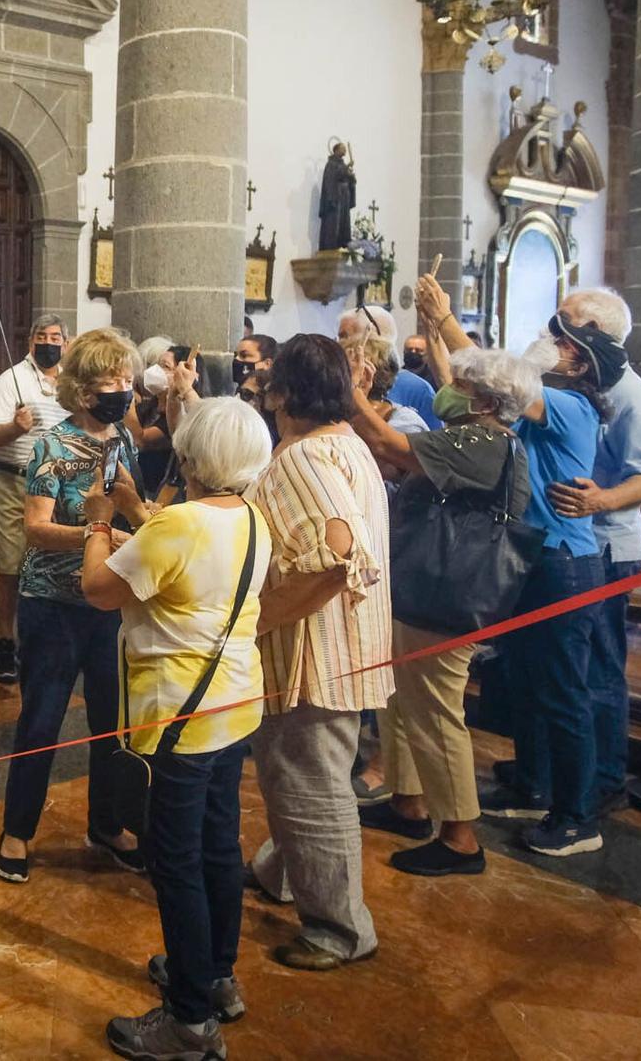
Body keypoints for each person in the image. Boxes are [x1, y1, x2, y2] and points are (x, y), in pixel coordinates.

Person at [81, 398, 275, 1061]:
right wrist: (139, 513)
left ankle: (190, 1022)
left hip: (178, 719)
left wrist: (100, 524)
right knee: (220, 849)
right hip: (233, 707)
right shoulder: (251, 516)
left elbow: (100, 589)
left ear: (190, 457)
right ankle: (215, 976)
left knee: (176, 863)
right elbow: (186, 546)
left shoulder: (180, 526)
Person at [426, 279, 617, 857]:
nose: (544, 337)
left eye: (556, 333)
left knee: (563, 691)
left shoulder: (571, 404)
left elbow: (497, 377)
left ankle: (578, 816)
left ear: (578, 359)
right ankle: (535, 787)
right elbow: (467, 390)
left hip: (563, 560)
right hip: (533, 556)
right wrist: (438, 331)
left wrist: (447, 317)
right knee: (529, 685)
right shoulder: (541, 403)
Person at [346, 341, 540, 877]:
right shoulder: (468, 435)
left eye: (461, 384)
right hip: (424, 588)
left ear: (483, 402)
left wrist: (354, 393)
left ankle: (458, 836)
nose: (447, 389)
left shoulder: (487, 441)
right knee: (402, 700)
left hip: (448, 595)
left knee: (435, 709)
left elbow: (391, 444)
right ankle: (407, 800)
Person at [244, 334, 392, 972]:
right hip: (344, 646)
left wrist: (260, 615)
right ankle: (281, 873)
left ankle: (338, 930)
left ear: (281, 392)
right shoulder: (346, 442)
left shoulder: (304, 457)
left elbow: (337, 550)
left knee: (310, 786)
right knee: (306, 780)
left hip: (311, 654)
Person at [0, 327, 151, 884]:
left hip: (108, 601)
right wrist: (96, 531)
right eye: (114, 379)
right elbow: (36, 530)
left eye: (128, 378)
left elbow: (134, 510)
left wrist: (134, 527)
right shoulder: (51, 444)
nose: (125, 388)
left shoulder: (123, 441)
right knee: (42, 720)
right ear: (85, 390)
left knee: (113, 724)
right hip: (53, 603)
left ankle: (107, 824)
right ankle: (17, 830)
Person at [541, 289, 641, 816]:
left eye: (565, 323)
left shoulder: (630, 393)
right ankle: (571, 772)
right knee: (569, 668)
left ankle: (608, 777)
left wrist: (602, 499)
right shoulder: (580, 385)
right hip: (576, 544)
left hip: (609, 545)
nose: (554, 332)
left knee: (600, 666)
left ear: (594, 329)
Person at [0, 316, 70, 683]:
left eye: (55, 337)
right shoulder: (10, 380)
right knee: (11, 564)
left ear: (65, 342)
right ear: (30, 341)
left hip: (61, 486)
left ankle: (46, 638)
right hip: (15, 483)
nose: (48, 342)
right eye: (41, 336)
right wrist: (15, 428)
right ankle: (5, 640)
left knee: (54, 563)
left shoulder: (71, 381)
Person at [338, 304, 440, 430]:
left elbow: (431, 442)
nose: (338, 344)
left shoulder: (417, 390)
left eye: (343, 337)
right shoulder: (335, 390)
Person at [134, 335, 179, 499]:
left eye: (164, 366)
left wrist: (127, 401)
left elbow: (140, 439)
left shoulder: (175, 415)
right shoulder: (149, 406)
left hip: (157, 491)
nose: (153, 371)